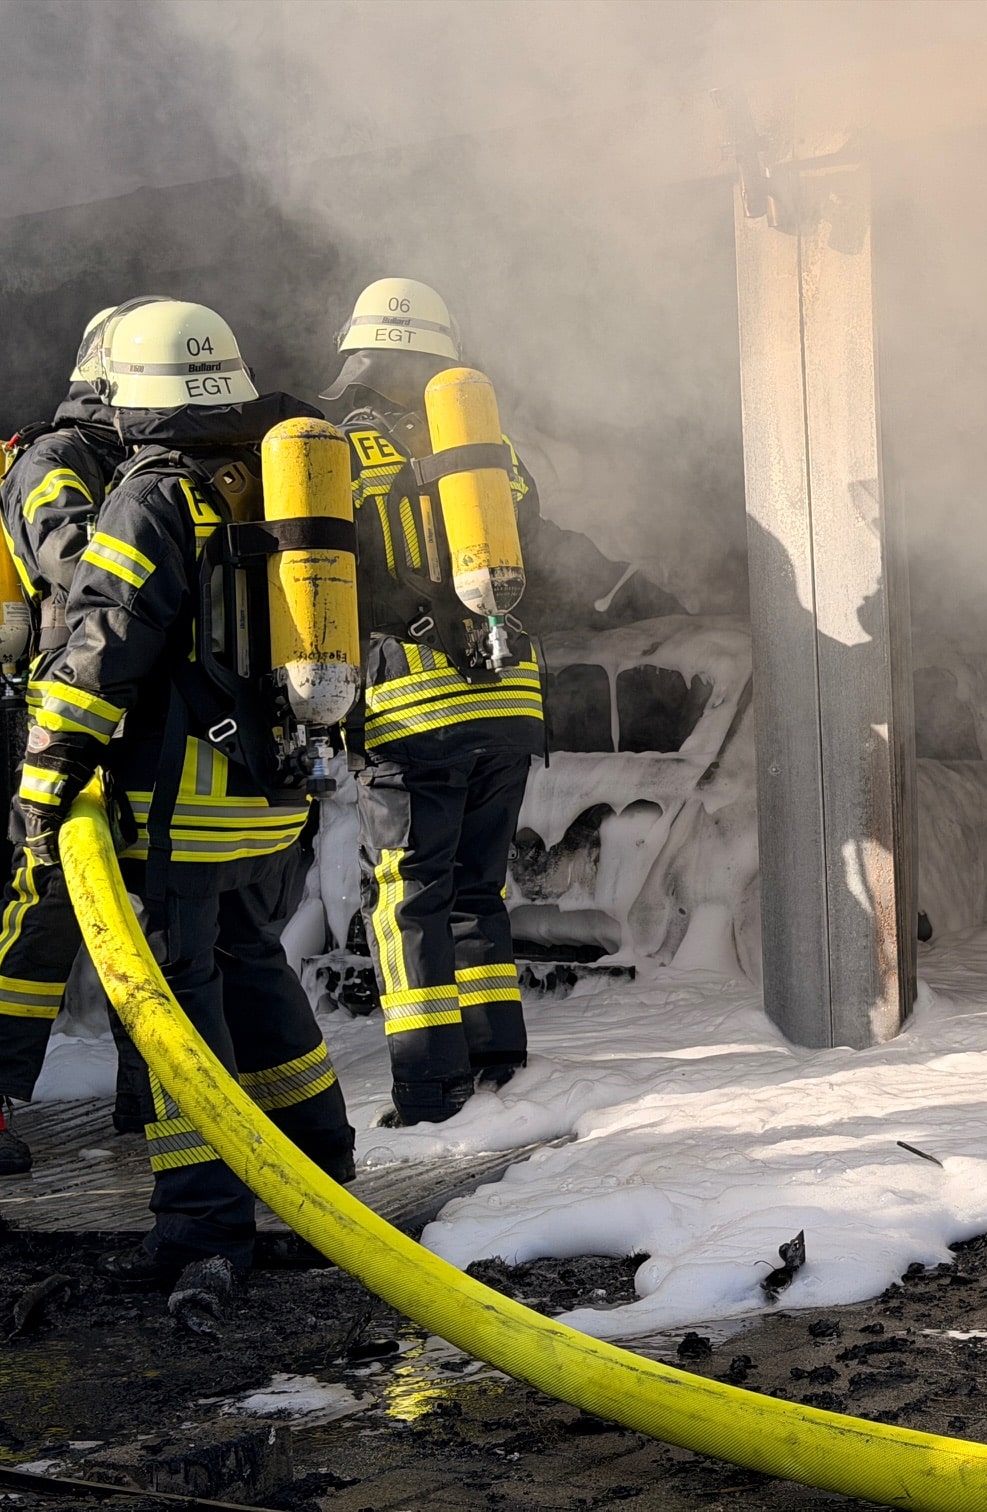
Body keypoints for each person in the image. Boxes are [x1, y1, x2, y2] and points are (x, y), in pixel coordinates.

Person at [18, 299, 355, 1290]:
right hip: (272, 795)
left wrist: (48, 772)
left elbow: (104, 638)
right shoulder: (275, 472)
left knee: (176, 1009)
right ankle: (324, 1185)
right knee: (254, 969)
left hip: (183, 804)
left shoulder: (155, 492)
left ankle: (204, 1231)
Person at [322, 277, 680, 1126]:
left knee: (409, 893)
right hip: (508, 700)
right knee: (476, 889)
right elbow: (544, 563)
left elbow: (322, 572)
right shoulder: (487, 450)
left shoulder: (337, 454)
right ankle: (494, 1063)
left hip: (412, 709)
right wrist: (630, 586)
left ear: (363, 360)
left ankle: (427, 1090)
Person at [0, 301, 163, 1175]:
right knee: (43, 907)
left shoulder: (148, 463)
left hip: (148, 715)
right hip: (72, 716)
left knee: (160, 910)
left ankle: (152, 1094)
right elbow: (79, 566)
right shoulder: (52, 460)